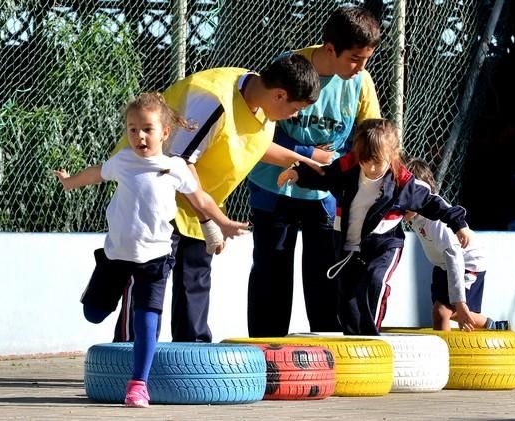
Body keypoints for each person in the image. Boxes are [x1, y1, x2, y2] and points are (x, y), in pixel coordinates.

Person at [53, 93, 249, 407]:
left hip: (156, 257)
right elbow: (95, 173)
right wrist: (70, 182)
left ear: (165, 133)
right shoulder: (122, 162)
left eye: (147, 129)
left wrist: (222, 222)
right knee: (94, 314)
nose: (139, 136)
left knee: (147, 319)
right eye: (132, 129)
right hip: (116, 255)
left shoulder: (176, 167)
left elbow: (200, 200)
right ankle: (104, 294)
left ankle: (138, 385)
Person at [113, 53, 323, 343]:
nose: (296, 116)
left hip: (198, 202)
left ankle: (191, 360)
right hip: (154, 195)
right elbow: (180, 162)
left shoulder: (260, 101)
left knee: (195, 281)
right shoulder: (213, 101)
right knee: (150, 283)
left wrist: (302, 161)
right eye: (296, 108)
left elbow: (252, 144)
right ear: (280, 95)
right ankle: (125, 358)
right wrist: (213, 219)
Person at [246, 5, 382, 337]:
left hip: (323, 193)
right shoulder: (290, 66)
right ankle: (266, 354)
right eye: (354, 59)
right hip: (273, 186)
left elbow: (371, 134)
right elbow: (259, 126)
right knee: (272, 272)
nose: (361, 67)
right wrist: (309, 153)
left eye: (366, 59)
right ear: (330, 49)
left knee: (325, 274)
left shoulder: (360, 81)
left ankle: (329, 355)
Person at [277, 119, 472, 336]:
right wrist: (298, 174)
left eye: (377, 163)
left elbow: (433, 202)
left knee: (374, 281)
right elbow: (323, 174)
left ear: (392, 156)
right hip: (348, 247)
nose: (370, 168)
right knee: (347, 297)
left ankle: (371, 335)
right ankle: (354, 338)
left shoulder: (403, 183)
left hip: (385, 245)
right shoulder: (347, 169)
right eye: (365, 161)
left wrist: (459, 224)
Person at [405, 158, 509, 332]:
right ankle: (492, 325)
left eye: (408, 197)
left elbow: (455, 256)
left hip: (467, 262)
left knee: (443, 311)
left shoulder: (435, 220)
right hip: (442, 264)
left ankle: (448, 353)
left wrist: (459, 303)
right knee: (442, 312)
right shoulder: (413, 214)